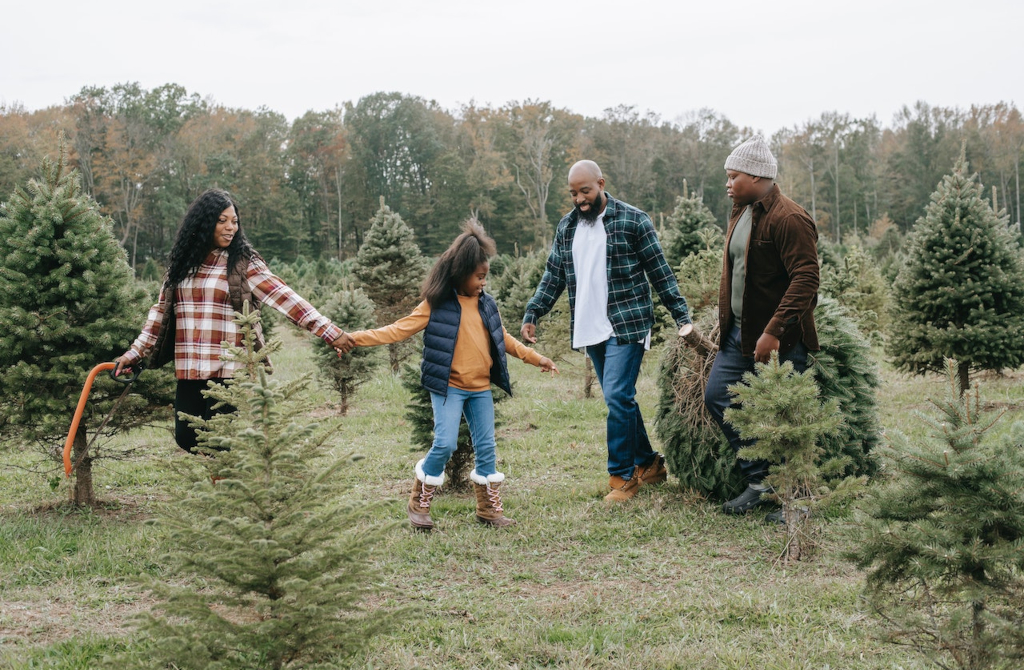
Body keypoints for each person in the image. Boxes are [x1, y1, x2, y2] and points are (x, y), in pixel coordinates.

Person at [340, 219, 559, 531]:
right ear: (461, 272)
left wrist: (536, 358)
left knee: (487, 448)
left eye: (486, 277)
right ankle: (420, 500)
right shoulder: (437, 304)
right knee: (444, 444)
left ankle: (487, 509)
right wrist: (355, 338)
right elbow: (397, 329)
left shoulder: (487, 305)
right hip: (449, 387)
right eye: (479, 277)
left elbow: (504, 339)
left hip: (480, 388)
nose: (484, 282)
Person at [113, 189, 352, 454]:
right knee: (186, 437)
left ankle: (229, 488)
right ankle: (226, 483)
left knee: (220, 440)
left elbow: (285, 298)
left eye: (235, 221)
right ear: (204, 223)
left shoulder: (242, 263)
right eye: (222, 221)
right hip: (191, 365)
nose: (231, 228)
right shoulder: (181, 266)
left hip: (229, 367)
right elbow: (160, 313)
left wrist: (329, 331)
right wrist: (135, 353)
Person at [521, 160, 692, 503]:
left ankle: (623, 477)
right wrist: (534, 311)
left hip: (626, 322)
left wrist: (681, 317)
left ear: (600, 183)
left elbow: (660, 272)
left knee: (616, 396)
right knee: (621, 400)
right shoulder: (568, 227)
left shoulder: (633, 220)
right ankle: (650, 463)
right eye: (573, 194)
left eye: (585, 191)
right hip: (590, 325)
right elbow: (553, 274)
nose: (580, 199)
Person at [701, 135, 820, 521]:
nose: (728, 184)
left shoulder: (790, 218)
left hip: (780, 340)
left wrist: (774, 332)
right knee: (718, 397)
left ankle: (798, 501)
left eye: (733, 176)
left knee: (788, 421)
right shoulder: (741, 211)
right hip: (738, 335)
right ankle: (761, 481)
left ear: (756, 176)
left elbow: (806, 278)